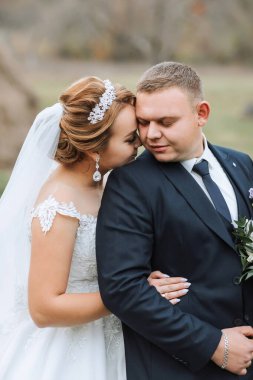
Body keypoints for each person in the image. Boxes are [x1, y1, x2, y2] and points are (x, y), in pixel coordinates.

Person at [0, 76, 190, 380]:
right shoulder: (58, 204)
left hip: (117, 334)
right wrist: (133, 294)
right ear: (94, 150)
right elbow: (44, 308)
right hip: (69, 350)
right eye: (130, 140)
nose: (140, 144)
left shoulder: (105, 182)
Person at [96, 62, 253, 380]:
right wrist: (214, 345)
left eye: (166, 122)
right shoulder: (130, 183)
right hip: (180, 366)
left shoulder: (242, 164)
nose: (152, 134)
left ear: (202, 113)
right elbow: (122, 289)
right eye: (144, 122)